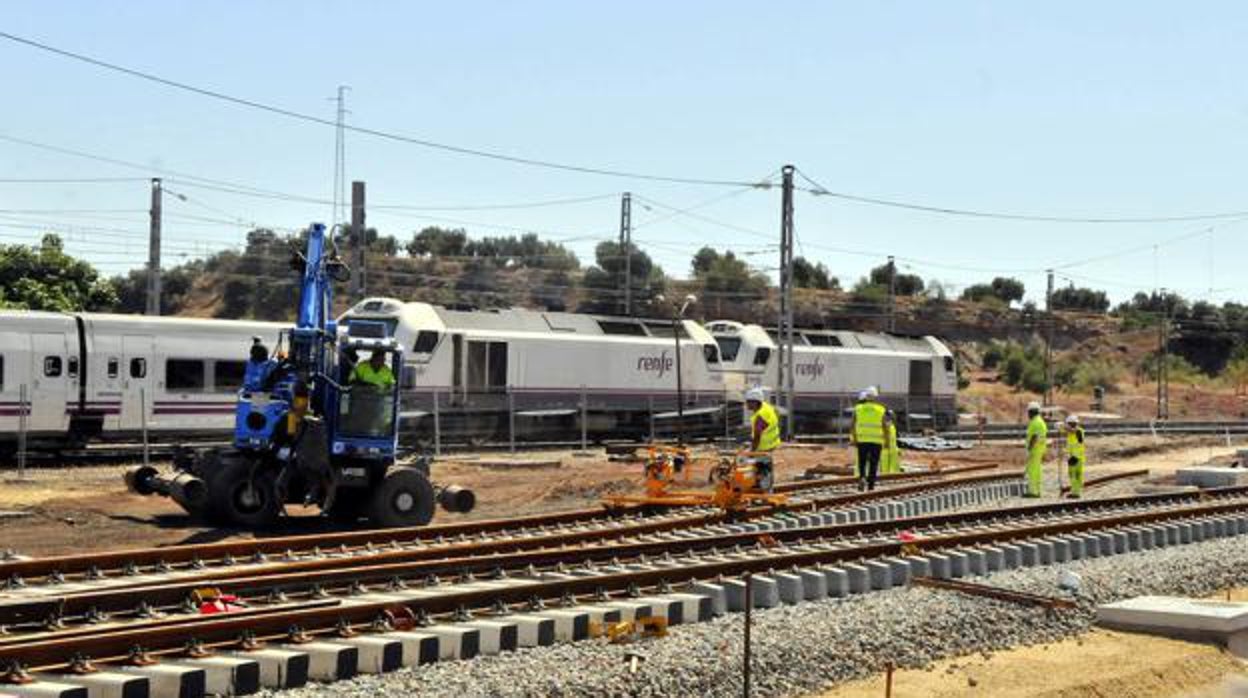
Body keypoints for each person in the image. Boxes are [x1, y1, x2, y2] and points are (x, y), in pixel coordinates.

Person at [850, 386, 891, 491]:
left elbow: (853, 425)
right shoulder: (881, 409)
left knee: (862, 461)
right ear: (876, 397)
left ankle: (862, 477)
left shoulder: (858, 409)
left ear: (866, 397)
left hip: (862, 440)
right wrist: (887, 441)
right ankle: (871, 486)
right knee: (874, 463)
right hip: (876, 441)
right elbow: (885, 427)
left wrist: (854, 439)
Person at [744, 387, 780, 491]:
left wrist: (752, 451)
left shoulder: (761, 416)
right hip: (771, 443)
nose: (747, 405)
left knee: (757, 466)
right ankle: (764, 488)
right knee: (764, 466)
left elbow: (757, 435)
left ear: (755, 402)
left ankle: (763, 489)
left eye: (749, 402)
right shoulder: (766, 407)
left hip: (764, 445)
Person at [1024, 401, 1048, 497]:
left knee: (1032, 471)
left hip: (1035, 449)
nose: (1028, 415)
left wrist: (1030, 447)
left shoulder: (1036, 422)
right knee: (1037, 470)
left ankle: (1033, 492)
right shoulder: (1040, 421)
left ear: (1032, 412)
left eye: (1028, 412)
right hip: (1039, 449)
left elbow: (1034, 436)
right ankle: (1037, 491)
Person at [1064, 414, 1086, 498]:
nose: (1068, 425)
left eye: (1069, 424)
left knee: (1074, 475)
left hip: (1075, 457)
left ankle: (1075, 493)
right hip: (1076, 456)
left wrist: (1065, 427)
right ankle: (1077, 491)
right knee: (1077, 475)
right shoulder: (1071, 433)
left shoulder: (1079, 431)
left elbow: (1074, 431)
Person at [881, 409, 901, 475]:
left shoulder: (892, 427)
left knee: (893, 468)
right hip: (885, 450)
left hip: (892, 450)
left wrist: (897, 448)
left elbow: (893, 439)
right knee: (885, 469)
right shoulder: (884, 427)